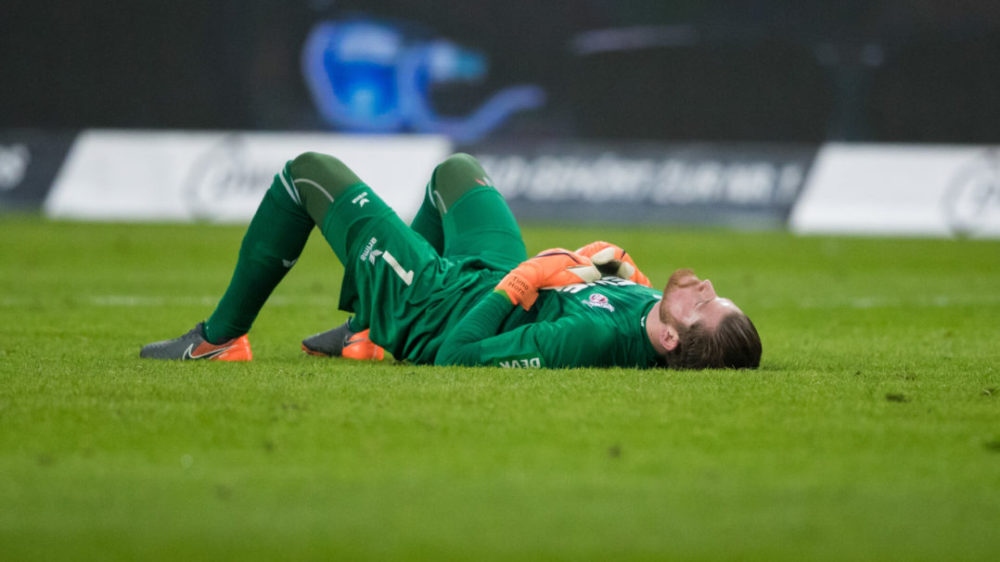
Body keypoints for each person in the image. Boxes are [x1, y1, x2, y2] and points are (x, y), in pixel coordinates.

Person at [140, 152, 761, 369]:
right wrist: (616, 267)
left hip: (436, 307)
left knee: (309, 174)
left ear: (675, 342)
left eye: (703, 303)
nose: (703, 285)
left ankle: (220, 340)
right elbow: (612, 293)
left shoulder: (586, 341)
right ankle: (363, 329)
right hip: (485, 277)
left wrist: (530, 277)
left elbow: (457, 356)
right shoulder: (649, 315)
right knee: (456, 174)